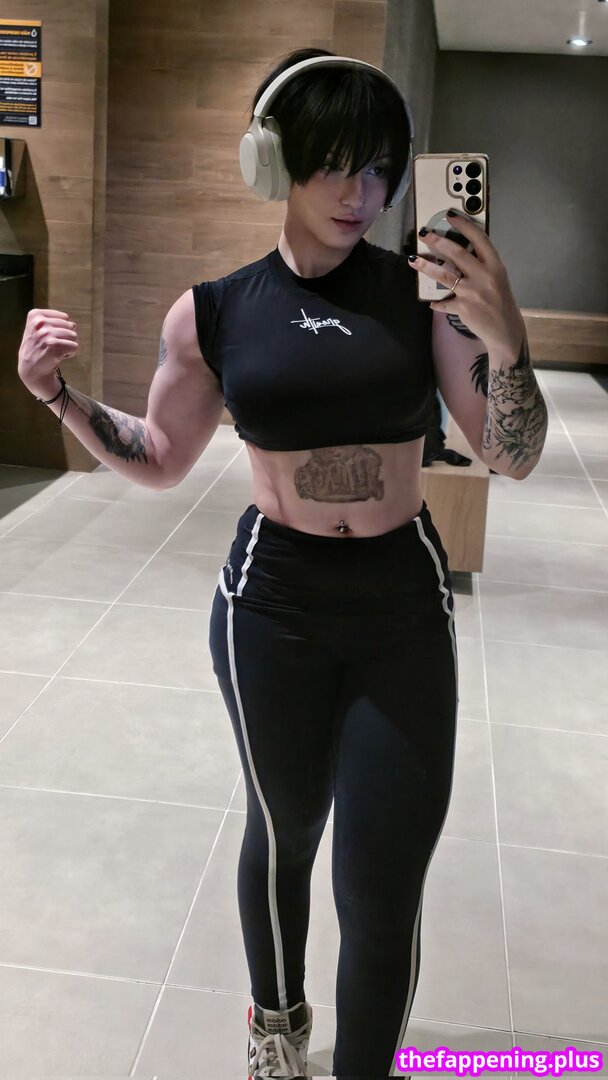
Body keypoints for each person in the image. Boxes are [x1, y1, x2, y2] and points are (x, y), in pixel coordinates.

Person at [17, 47, 548, 1080]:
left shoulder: (423, 299)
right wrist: (57, 396)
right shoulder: (213, 311)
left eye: (379, 170)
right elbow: (160, 456)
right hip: (271, 606)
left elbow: (510, 452)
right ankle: (276, 1025)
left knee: (381, 880)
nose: (362, 195)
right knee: (285, 826)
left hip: (399, 605)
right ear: (273, 161)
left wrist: (509, 342)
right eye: (336, 165)